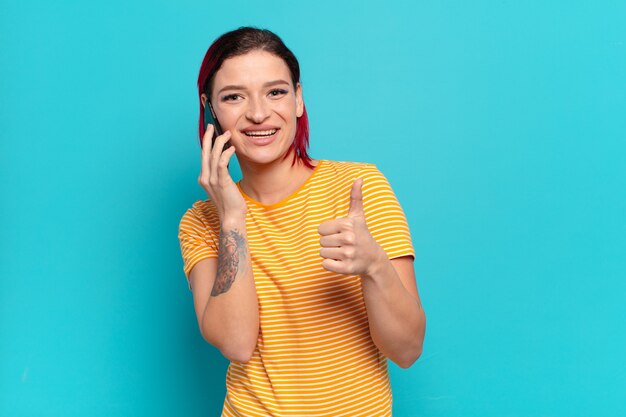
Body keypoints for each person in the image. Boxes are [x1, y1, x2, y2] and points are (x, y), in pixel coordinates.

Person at [178, 26, 426, 417]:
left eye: (276, 91)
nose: (258, 113)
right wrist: (232, 217)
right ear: (211, 108)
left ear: (298, 99)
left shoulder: (359, 187)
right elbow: (237, 342)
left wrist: (374, 265)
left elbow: (408, 350)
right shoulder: (201, 220)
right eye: (234, 97)